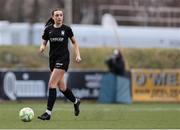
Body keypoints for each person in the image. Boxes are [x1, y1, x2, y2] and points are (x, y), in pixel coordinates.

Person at [38, 8, 82, 120]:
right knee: (62, 87)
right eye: (57, 15)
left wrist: (78, 55)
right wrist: (42, 47)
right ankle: (76, 101)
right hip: (52, 60)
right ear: (53, 17)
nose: (59, 17)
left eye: (61, 15)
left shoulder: (67, 29)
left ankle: (48, 113)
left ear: (63, 17)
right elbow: (44, 42)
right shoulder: (48, 30)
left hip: (63, 60)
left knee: (51, 84)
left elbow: (74, 42)